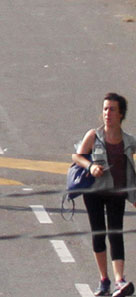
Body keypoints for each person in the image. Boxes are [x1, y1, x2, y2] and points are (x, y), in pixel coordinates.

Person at [75, 93, 136, 297]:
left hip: (117, 193)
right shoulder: (94, 135)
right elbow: (77, 156)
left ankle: (119, 280)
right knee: (99, 234)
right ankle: (104, 280)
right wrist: (90, 166)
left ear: (121, 114)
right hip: (93, 192)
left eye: (112, 109)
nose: (107, 113)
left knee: (116, 234)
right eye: (105, 109)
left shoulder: (128, 141)